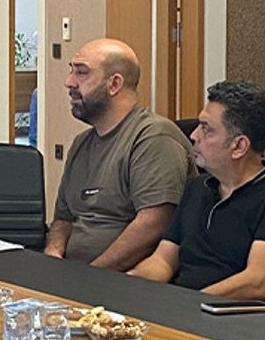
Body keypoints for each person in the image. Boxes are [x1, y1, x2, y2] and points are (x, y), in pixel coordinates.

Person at [128, 81, 265, 309]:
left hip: (236, 318)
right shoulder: (197, 188)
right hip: (184, 309)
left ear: (239, 146)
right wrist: (126, 284)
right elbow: (162, 262)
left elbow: (257, 283)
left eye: (206, 129)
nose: (194, 135)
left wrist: (185, 305)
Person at [43, 38, 195, 270]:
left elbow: (153, 225)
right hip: (73, 275)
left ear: (114, 84)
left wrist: (93, 274)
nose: (69, 82)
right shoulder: (81, 143)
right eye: (71, 71)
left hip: (122, 280)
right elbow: (63, 219)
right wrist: (52, 256)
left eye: (81, 73)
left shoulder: (153, 137)